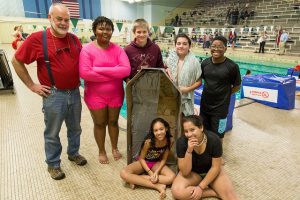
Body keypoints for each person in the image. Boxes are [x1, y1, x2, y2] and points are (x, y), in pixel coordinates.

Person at [11, 3, 87, 180]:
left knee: (75, 129)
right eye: (59, 19)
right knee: (52, 132)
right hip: (53, 94)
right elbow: (16, 61)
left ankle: (73, 153)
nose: (63, 23)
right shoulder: (37, 39)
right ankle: (53, 164)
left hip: (75, 93)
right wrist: (32, 85)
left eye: (66, 20)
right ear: (50, 18)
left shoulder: (74, 39)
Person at [79, 16, 130, 164]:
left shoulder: (118, 50)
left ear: (112, 31)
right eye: (101, 28)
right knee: (100, 123)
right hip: (95, 96)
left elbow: (125, 70)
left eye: (108, 29)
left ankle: (114, 148)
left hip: (115, 94)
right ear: (95, 30)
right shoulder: (87, 50)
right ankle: (102, 150)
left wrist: (98, 69)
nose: (105, 32)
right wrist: (114, 72)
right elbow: (85, 73)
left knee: (113, 122)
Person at [171, 115, 239, 200]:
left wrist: (200, 187)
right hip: (193, 173)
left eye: (192, 130)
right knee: (177, 192)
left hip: (212, 171)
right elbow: (185, 172)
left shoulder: (214, 140)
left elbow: (216, 167)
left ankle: (215, 188)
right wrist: (189, 151)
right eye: (186, 131)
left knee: (231, 197)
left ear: (201, 128)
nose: (189, 134)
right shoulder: (181, 142)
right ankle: (215, 192)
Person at [120, 118, 175, 199]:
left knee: (172, 177)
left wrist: (156, 172)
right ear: (152, 132)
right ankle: (158, 187)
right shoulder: (148, 142)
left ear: (166, 128)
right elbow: (141, 158)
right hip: (143, 163)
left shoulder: (170, 140)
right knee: (123, 173)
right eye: (155, 130)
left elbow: (164, 159)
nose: (159, 132)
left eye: (161, 129)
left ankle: (135, 179)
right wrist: (150, 173)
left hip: (156, 163)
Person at [200, 36, 241, 141]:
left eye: (220, 47)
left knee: (218, 136)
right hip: (205, 106)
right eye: (213, 46)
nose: (216, 49)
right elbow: (203, 80)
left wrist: (225, 94)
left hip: (221, 109)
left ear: (225, 49)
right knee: (203, 132)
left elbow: (237, 86)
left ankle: (217, 156)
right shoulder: (205, 63)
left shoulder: (232, 66)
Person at [166, 33, 202, 116]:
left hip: (186, 97)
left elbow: (199, 81)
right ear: (175, 45)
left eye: (184, 44)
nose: (181, 46)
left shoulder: (194, 62)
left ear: (189, 46)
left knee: (186, 120)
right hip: (171, 95)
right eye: (178, 43)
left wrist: (188, 89)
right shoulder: (170, 60)